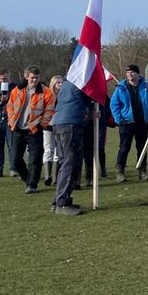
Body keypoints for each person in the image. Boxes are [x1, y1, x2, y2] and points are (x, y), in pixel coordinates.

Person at [6, 66, 57, 194]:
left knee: (35, 159)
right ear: (26, 77)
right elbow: (10, 105)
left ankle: (32, 185)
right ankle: (28, 179)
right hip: (18, 128)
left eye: (37, 77)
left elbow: (49, 110)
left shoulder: (46, 92)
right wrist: (11, 120)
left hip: (35, 129)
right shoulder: (17, 90)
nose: (34, 80)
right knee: (15, 159)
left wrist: (42, 124)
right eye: (32, 77)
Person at [48, 79, 91, 215]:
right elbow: (91, 96)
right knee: (70, 162)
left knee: (64, 161)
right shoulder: (80, 82)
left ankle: (58, 200)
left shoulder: (67, 84)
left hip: (59, 123)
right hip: (70, 123)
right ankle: (62, 203)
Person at [111, 65, 148, 183]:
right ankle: (120, 172)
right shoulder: (121, 88)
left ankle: (143, 171)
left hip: (142, 122)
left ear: (137, 73)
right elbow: (114, 104)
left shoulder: (146, 86)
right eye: (128, 72)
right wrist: (118, 119)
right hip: (127, 123)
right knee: (124, 148)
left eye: (132, 72)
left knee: (142, 147)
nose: (130, 74)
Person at [39, 76, 64, 186]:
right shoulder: (48, 96)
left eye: (61, 82)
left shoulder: (64, 96)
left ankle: (55, 177)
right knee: (48, 148)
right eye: (58, 82)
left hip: (60, 125)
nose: (60, 84)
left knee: (58, 150)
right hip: (48, 126)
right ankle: (48, 175)